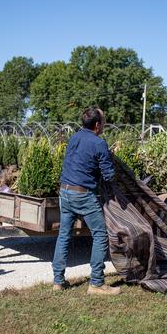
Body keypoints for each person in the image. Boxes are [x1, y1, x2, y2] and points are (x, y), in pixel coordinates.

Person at [51, 107, 121, 295]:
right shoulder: (99, 143)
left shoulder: (74, 138)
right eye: (104, 121)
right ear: (97, 124)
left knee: (64, 235)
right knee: (100, 235)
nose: (104, 124)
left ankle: (58, 281)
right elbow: (108, 175)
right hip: (82, 195)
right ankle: (96, 283)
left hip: (64, 192)